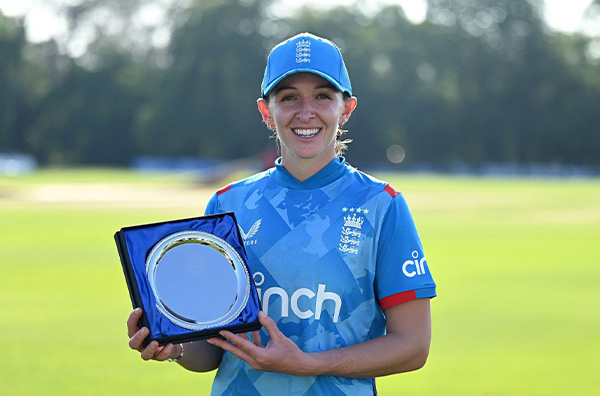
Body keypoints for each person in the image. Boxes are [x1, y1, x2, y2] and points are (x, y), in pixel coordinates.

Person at [127, 32, 436, 395]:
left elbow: (413, 346)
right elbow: (213, 350)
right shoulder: (227, 204)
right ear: (266, 112)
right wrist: (175, 347)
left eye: (322, 96)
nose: (306, 113)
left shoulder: (382, 204)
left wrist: (308, 365)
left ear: (346, 108)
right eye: (289, 98)